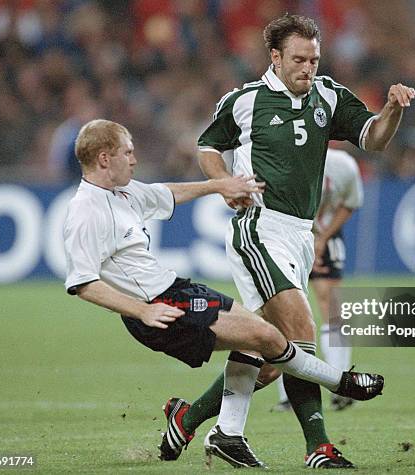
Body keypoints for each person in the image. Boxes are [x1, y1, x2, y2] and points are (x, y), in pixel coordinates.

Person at [62, 119, 385, 468]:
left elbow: (168, 193)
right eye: (128, 152)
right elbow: (83, 282)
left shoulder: (123, 192)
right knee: (268, 337)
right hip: (160, 307)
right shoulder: (85, 210)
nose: (135, 159)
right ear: (105, 158)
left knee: (263, 353)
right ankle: (341, 383)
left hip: (176, 290)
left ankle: (211, 427)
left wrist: (219, 184)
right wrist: (141, 311)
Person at [186, 14, 415, 469]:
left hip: (300, 234)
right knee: (301, 332)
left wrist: (394, 109)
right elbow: (207, 146)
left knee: (266, 351)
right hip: (260, 226)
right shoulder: (245, 100)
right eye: (298, 59)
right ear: (275, 56)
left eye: (313, 59)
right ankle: (321, 439)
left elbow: (374, 140)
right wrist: (224, 183)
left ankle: (205, 425)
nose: (307, 68)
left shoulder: (328, 96)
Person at [274, 148, 364, 412]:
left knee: (330, 304)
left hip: (326, 234)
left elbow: (350, 203)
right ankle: (288, 395)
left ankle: (342, 385)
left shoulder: (344, 166)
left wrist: (323, 238)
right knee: (284, 309)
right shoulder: (286, 159)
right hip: (287, 234)